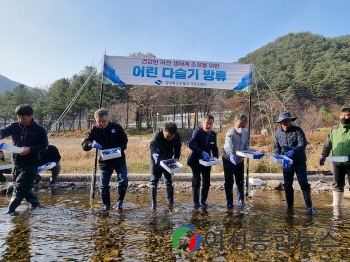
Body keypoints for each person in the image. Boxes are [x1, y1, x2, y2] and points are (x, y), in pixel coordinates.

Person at [0, 104, 48, 214]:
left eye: (23, 118)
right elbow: (3, 131)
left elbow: (44, 145)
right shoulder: (14, 126)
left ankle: (9, 212)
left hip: (31, 163)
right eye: (19, 117)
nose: (21, 120)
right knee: (21, 185)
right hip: (16, 163)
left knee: (20, 188)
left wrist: (30, 149)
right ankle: (34, 203)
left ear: (31, 115)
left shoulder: (39, 130)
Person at [82, 108, 128, 212]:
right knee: (103, 184)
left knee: (123, 180)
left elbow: (124, 140)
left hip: (118, 159)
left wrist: (121, 148)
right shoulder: (94, 130)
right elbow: (84, 145)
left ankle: (119, 202)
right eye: (99, 122)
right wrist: (91, 144)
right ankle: (106, 205)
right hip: (104, 161)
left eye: (104, 121)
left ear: (108, 119)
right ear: (95, 120)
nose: (102, 123)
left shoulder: (116, 127)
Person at [274, 111, 317, 214]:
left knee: (303, 183)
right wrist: (277, 153)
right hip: (286, 162)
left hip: (299, 161)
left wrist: (294, 151)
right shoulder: (277, 133)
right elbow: (276, 146)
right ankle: (289, 207)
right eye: (284, 121)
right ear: (280, 122)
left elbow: (302, 143)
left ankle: (309, 207)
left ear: (290, 121)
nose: (286, 122)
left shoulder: (298, 130)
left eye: (288, 120)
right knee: (287, 185)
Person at [320, 108, 350, 206]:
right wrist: (324, 155)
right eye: (342, 115)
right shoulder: (334, 129)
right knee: (337, 184)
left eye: (347, 115)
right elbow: (328, 144)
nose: (344, 117)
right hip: (337, 163)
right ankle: (336, 206)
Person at [187, 114, 219, 208]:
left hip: (207, 161)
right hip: (196, 160)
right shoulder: (197, 132)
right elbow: (191, 144)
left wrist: (215, 157)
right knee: (196, 181)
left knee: (207, 182)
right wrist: (202, 152)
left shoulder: (213, 134)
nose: (208, 125)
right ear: (202, 123)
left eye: (211, 123)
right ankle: (196, 203)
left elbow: (214, 147)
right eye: (207, 123)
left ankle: (203, 201)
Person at [149, 122, 182, 209]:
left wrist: (177, 157)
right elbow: (153, 144)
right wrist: (154, 153)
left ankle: (170, 202)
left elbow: (178, 147)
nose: (170, 138)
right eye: (168, 136)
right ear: (164, 131)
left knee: (168, 181)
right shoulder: (158, 134)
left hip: (168, 161)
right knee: (153, 182)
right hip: (156, 160)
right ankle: (153, 205)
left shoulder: (177, 135)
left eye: (172, 136)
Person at [222, 115, 250, 208]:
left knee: (240, 181)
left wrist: (250, 153)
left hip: (240, 159)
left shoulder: (246, 132)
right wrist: (230, 154)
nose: (241, 128)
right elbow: (228, 144)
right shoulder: (230, 132)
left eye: (243, 126)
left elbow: (246, 145)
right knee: (229, 181)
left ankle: (241, 200)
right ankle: (229, 202)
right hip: (228, 158)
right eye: (239, 126)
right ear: (234, 124)